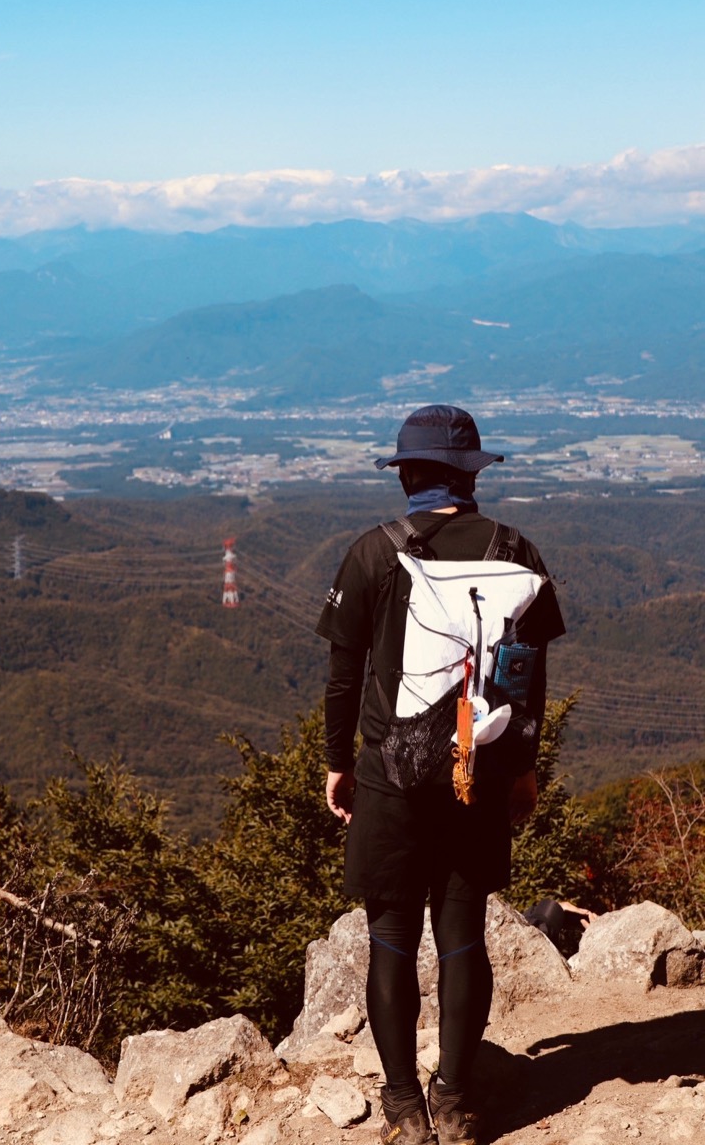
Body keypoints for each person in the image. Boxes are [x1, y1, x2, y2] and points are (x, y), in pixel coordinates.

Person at [315, 404, 565, 1145]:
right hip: (478, 772)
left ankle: (402, 1108)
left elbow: (341, 678)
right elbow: (530, 680)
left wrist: (338, 763)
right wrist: (521, 769)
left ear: (407, 476)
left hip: (391, 777)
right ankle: (454, 1101)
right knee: (462, 937)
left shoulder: (371, 554)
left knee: (390, 938)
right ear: (472, 475)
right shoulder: (516, 551)